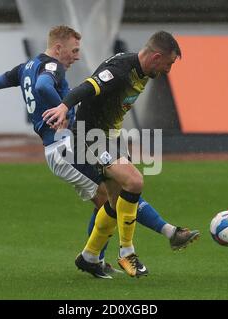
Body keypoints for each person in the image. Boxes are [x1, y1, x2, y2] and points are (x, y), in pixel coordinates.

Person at [0, 26, 199, 279]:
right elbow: (43, 85)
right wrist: (64, 110)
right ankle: (147, 240)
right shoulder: (52, 66)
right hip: (63, 146)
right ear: (58, 48)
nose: (76, 56)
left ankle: (95, 257)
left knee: (113, 195)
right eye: (74, 50)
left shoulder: (27, 66)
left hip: (66, 144)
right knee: (119, 191)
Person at [43, 31, 196, 278]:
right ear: (156, 57)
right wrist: (64, 106)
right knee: (134, 181)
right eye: (168, 64)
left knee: (115, 203)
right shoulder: (121, 70)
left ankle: (89, 257)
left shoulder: (145, 70)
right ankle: (127, 253)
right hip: (90, 136)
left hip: (111, 137)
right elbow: (88, 86)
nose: (168, 70)